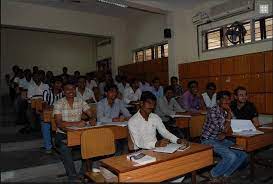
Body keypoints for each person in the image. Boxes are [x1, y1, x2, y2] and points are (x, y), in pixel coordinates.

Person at [201, 91, 248, 183]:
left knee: (243, 154)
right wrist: (229, 116)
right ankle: (213, 174)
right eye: (224, 99)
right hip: (208, 140)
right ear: (218, 101)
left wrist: (229, 114)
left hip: (221, 139)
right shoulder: (213, 111)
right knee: (231, 156)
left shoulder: (226, 110)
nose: (227, 101)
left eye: (228, 99)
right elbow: (223, 129)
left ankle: (226, 175)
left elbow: (235, 124)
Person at [53, 81, 96, 182]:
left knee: (91, 145)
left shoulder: (80, 101)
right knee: (65, 148)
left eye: (72, 89)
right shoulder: (59, 103)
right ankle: (73, 177)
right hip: (63, 134)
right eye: (67, 89)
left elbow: (91, 113)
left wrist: (92, 118)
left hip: (79, 133)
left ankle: (82, 173)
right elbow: (59, 123)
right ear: (63, 91)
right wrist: (76, 124)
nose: (70, 91)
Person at [41, 77, 64, 153]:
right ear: (52, 84)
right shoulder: (46, 92)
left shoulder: (63, 93)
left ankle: (61, 144)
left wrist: (53, 106)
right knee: (45, 124)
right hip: (49, 114)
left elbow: (65, 105)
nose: (59, 85)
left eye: (60, 83)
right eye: (57, 83)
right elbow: (45, 106)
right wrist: (56, 106)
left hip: (61, 115)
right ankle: (48, 147)